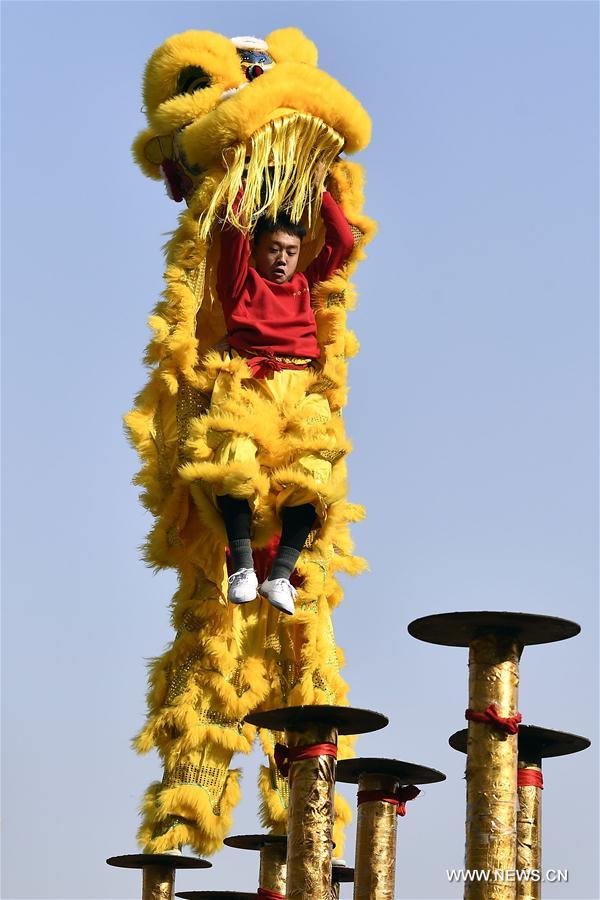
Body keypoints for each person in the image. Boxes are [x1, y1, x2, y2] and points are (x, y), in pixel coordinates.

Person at [209, 174, 354, 615]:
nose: (282, 259)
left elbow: (343, 242)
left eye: (291, 251)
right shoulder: (240, 283)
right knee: (234, 461)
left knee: (313, 473)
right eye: (274, 249)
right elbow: (232, 227)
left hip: (300, 388)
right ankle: (243, 569)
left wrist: (318, 189)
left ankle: (280, 577)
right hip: (252, 381)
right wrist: (244, 174)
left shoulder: (304, 285)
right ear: (257, 249)